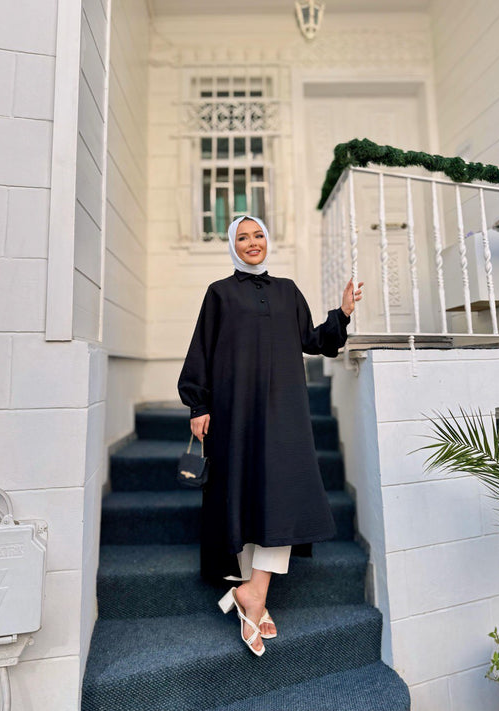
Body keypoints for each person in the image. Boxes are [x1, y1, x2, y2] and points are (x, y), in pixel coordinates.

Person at [177, 215, 364, 656]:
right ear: (233, 245)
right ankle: (254, 601)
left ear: (267, 240)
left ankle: (253, 594)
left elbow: (312, 340)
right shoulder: (220, 293)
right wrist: (198, 405)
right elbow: (201, 348)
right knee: (243, 493)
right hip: (234, 409)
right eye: (243, 237)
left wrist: (342, 314)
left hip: (284, 411)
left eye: (258, 235)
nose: (252, 242)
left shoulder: (287, 290)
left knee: (283, 495)